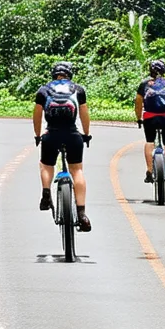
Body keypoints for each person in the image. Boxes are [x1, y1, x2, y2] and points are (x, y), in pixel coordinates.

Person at [33, 61, 93, 231]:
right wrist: (86, 134)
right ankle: (82, 213)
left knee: (46, 164)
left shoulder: (43, 90)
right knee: (77, 170)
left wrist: (38, 135)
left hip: (51, 135)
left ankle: (46, 193)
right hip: (72, 135)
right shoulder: (78, 89)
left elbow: (37, 115)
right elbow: (84, 113)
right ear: (70, 74)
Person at [136, 58, 165, 184]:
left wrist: (139, 118)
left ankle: (149, 171)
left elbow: (138, 104)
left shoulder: (144, 85)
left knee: (150, 141)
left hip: (149, 118)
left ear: (150, 71)